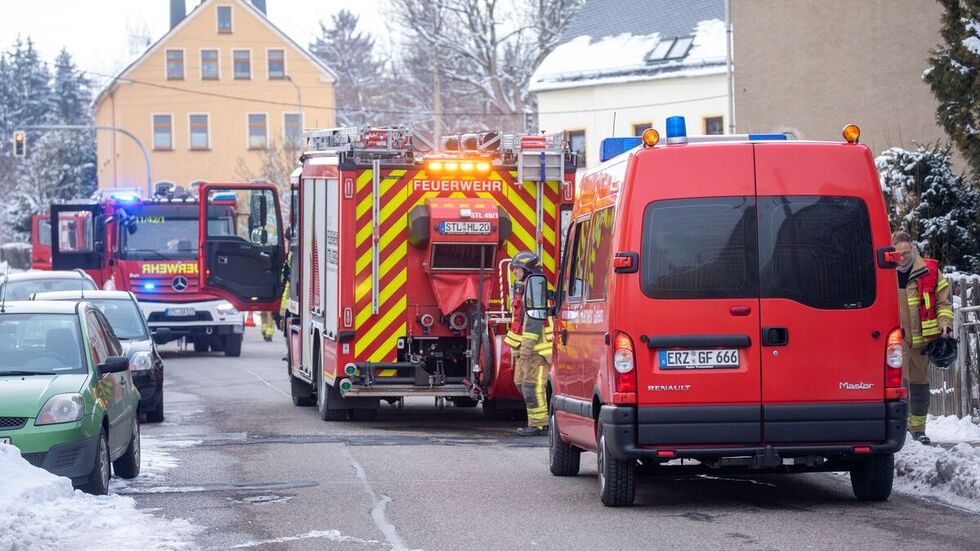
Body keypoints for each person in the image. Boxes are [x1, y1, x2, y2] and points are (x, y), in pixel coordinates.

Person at [893, 231, 954, 444]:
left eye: (906, 253)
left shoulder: (929, 271)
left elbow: (943, 302)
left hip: (921, 341)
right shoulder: (884, 272)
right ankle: (900, 431)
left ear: (913, 249)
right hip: (896, 340)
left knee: (920, 385)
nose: (902, 258)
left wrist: (945, 325)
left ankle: (918, 430)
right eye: (898, 254)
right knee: (900, 384)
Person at [507, 251, 553, 437]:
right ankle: (538, 421)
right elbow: (518, 321)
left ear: (527, 270)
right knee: (521, 383)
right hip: (525, 348)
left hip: (536, 349)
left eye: (518, 268)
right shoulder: (525, 288)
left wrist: (525, 346)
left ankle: (540, 424)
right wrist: (516, 348)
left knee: (532, 386)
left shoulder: (535, 289)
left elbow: (534, 321)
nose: (515, 271)